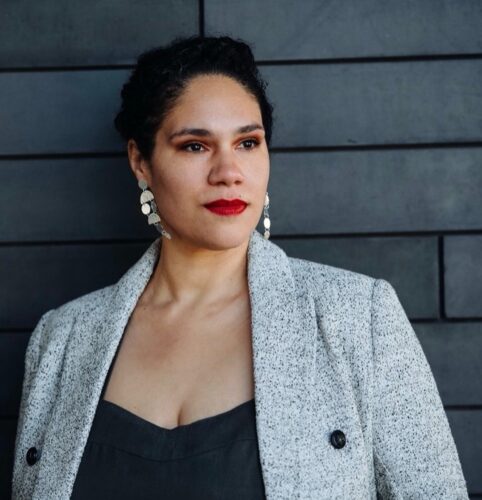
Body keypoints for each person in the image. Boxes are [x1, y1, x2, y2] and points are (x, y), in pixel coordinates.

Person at [12, 35, 469, 499]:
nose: (229, 172)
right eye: (195, 146)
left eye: (248, 142)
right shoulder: (62, 340)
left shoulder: (357, 317)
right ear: (140, 161)